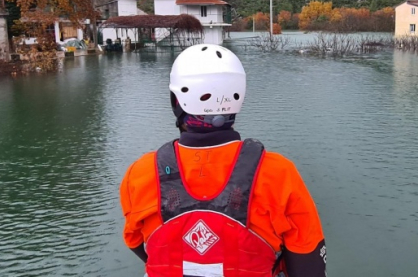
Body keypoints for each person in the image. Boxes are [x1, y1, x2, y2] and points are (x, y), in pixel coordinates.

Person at [120, 44, 326, 277]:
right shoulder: (278, 173)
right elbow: (309, 266)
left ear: (176, 102)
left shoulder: (140, 173)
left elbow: (136, 243)